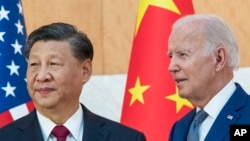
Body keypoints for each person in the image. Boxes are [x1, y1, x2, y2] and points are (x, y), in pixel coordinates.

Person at [0, 22, 146, 141]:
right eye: (34, 65)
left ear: (85, 71)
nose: (41, 76)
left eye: (54, 63)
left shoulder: (126, 138)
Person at [167, 14, 250, 141]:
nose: (171, 67)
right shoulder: (179, 129)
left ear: (218, 59)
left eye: (182, 54)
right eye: (171, 56)